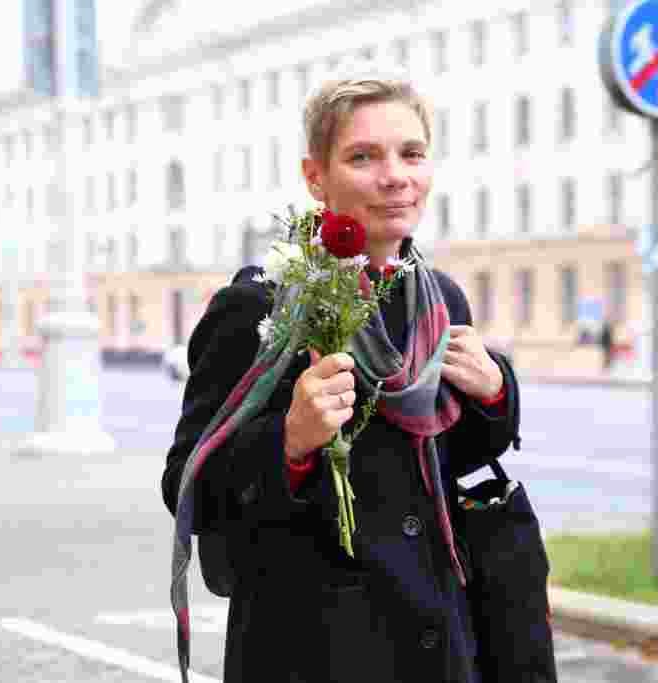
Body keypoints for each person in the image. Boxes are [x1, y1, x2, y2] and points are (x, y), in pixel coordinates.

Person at [162, 68, 524, 682]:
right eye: (363, 157)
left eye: (411, 154)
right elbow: (186, 485)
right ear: (316, 177)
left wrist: (493, 392)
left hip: (438, 644)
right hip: (315, 654)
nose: (395, 176)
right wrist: (289, 442)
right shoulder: (258, 307)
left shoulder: (441, 302)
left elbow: (445, 459)